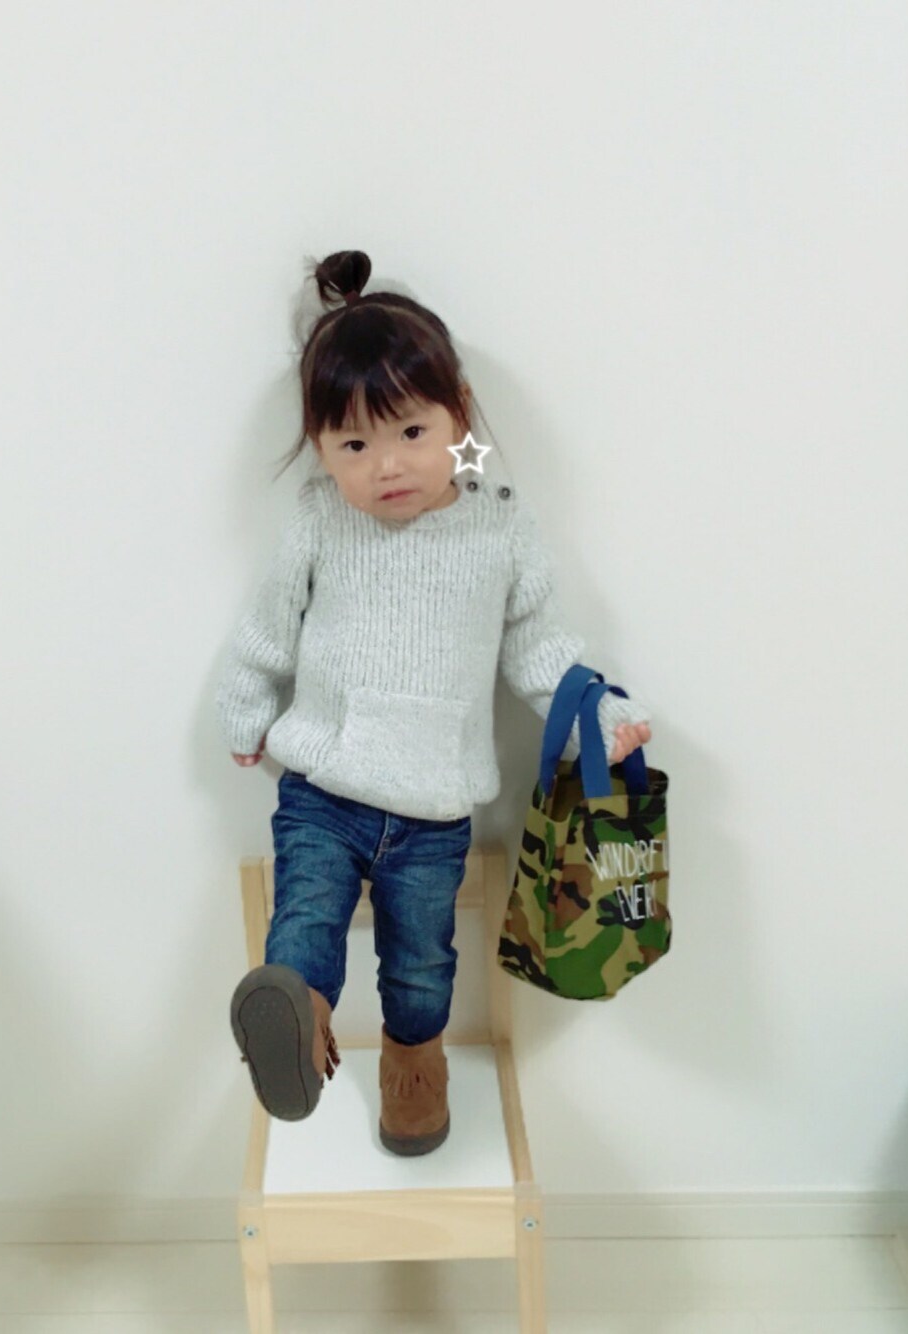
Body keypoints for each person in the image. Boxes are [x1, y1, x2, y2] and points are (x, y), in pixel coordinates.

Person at [216, 249, 652, 1156]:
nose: (386, 466)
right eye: (353, 446)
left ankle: (413, 1072)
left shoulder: (500, 525)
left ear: (459, 414)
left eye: (411, 432)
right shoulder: (319, 518)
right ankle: (293, 1015)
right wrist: (246, 708)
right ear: (320, 448)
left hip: (434, 812)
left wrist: (602, 720)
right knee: (305, 919)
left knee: (421, 964)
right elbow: (267, 629)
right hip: (324, 792)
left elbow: (540, 648)